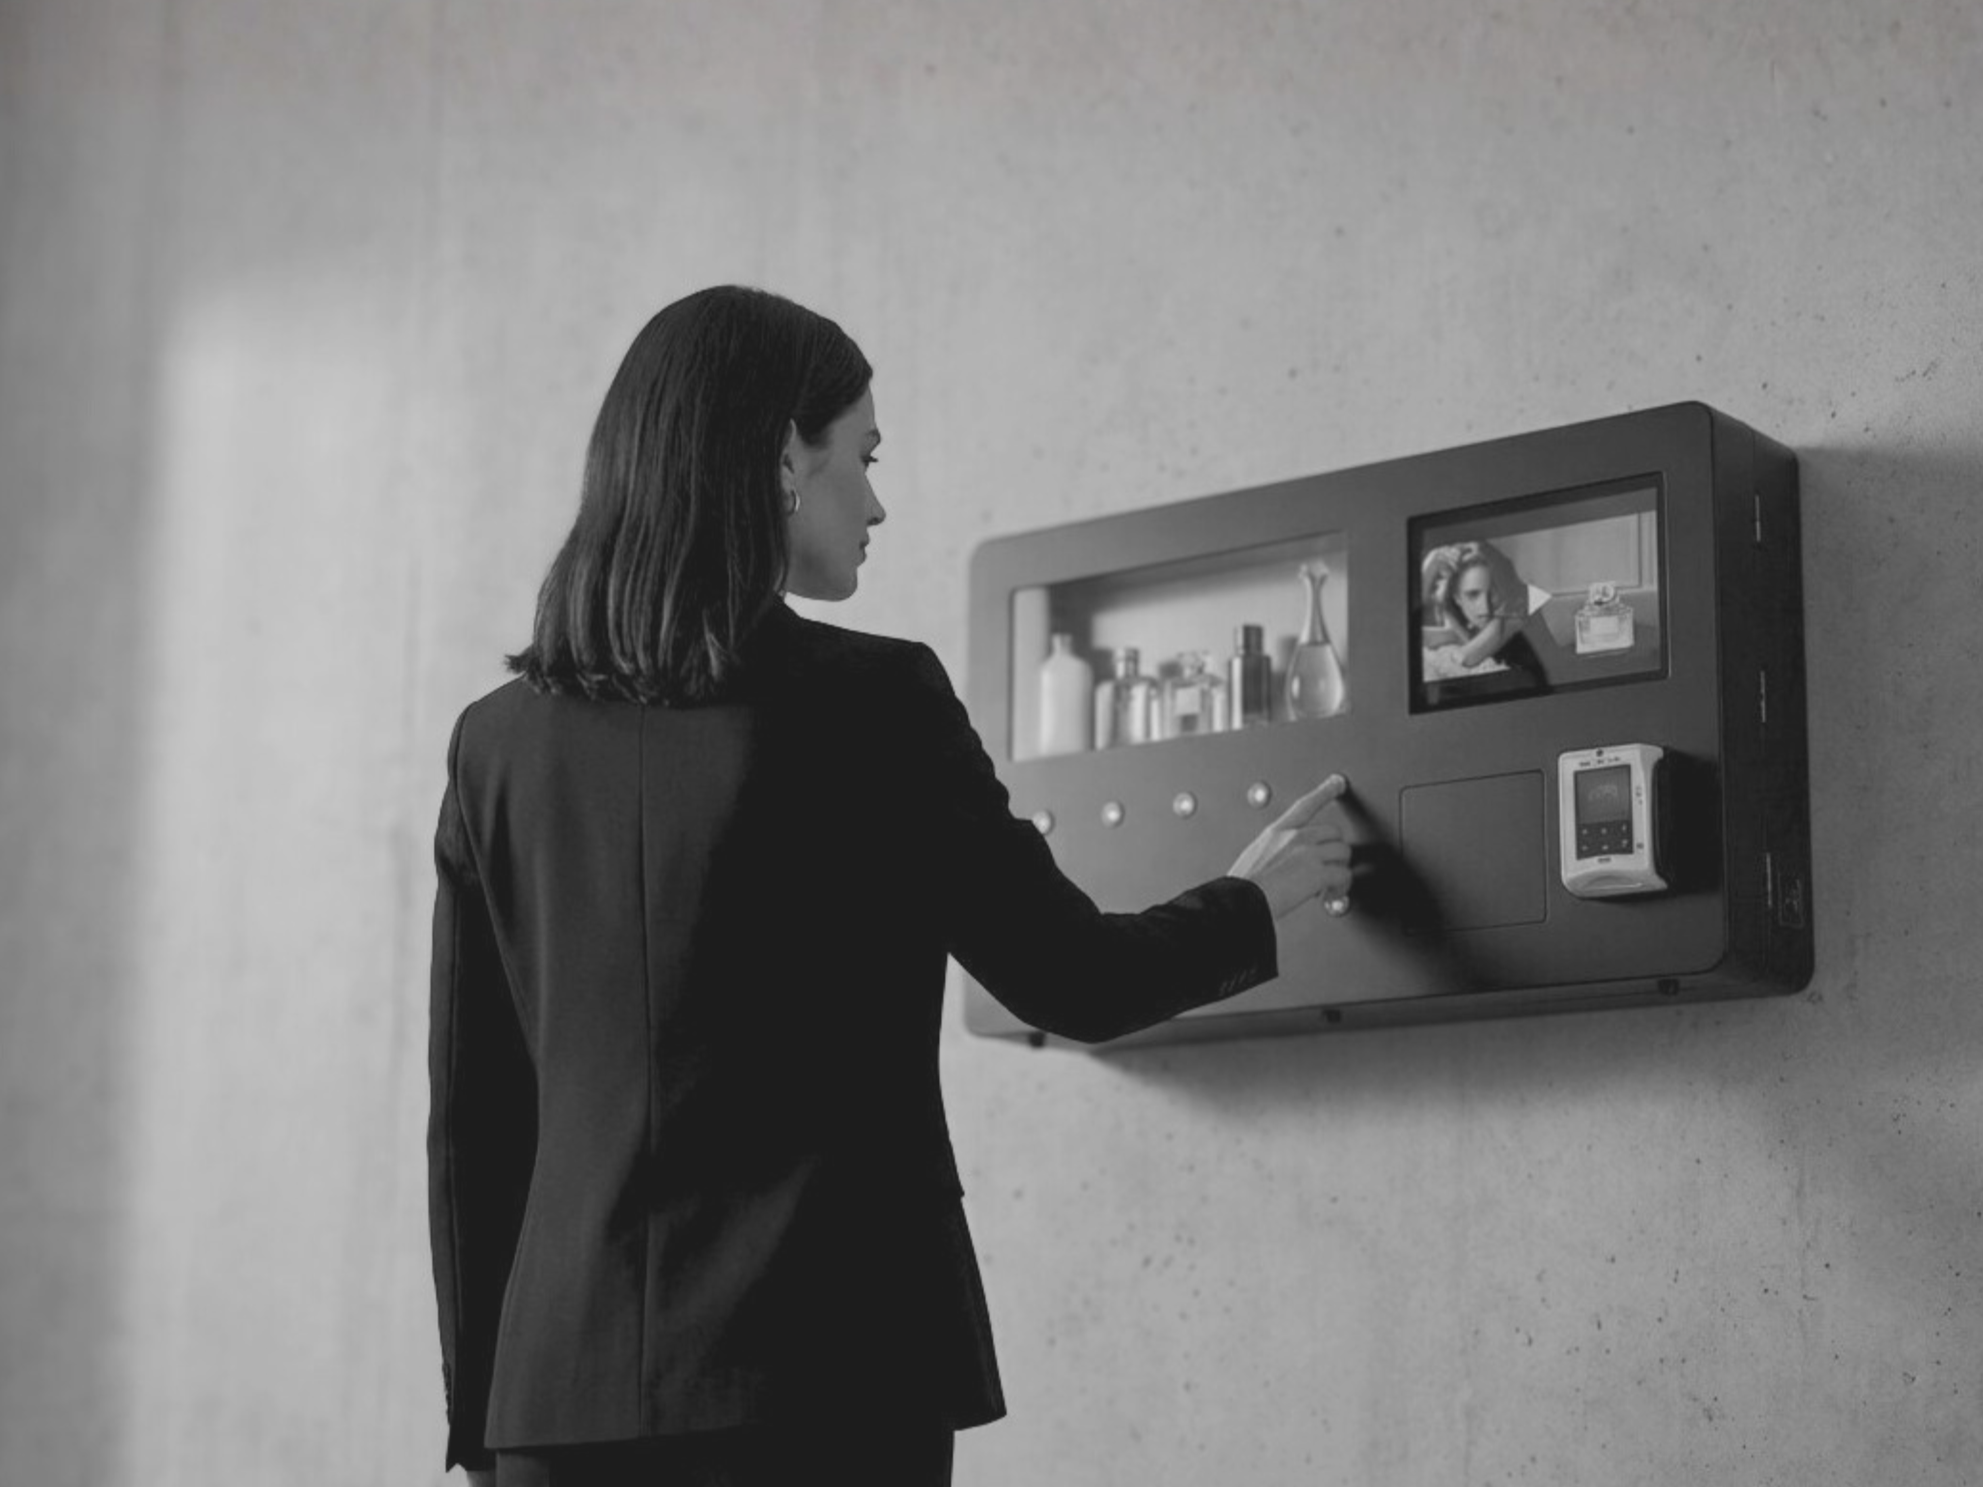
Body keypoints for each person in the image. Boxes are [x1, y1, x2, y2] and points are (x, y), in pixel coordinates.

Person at [427, 286, 1355, 1487]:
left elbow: (476, 1122)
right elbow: (1070, 976)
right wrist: (1254, 896)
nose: (877, 500)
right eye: (860, 456)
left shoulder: (495, 745)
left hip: (558, 1409)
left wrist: (483, 1427)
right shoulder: (876, 702)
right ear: (779, 458)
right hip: (829, 1386)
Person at [1418, 539, 1543, 684]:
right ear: (1457, 598)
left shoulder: (1517, 610)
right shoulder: (1465, 623)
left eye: (1492, 593)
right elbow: (1407, 637)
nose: (1485, 607)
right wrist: (1431, 565)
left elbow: (1465, 657)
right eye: (1473, 595)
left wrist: (1453, 629)